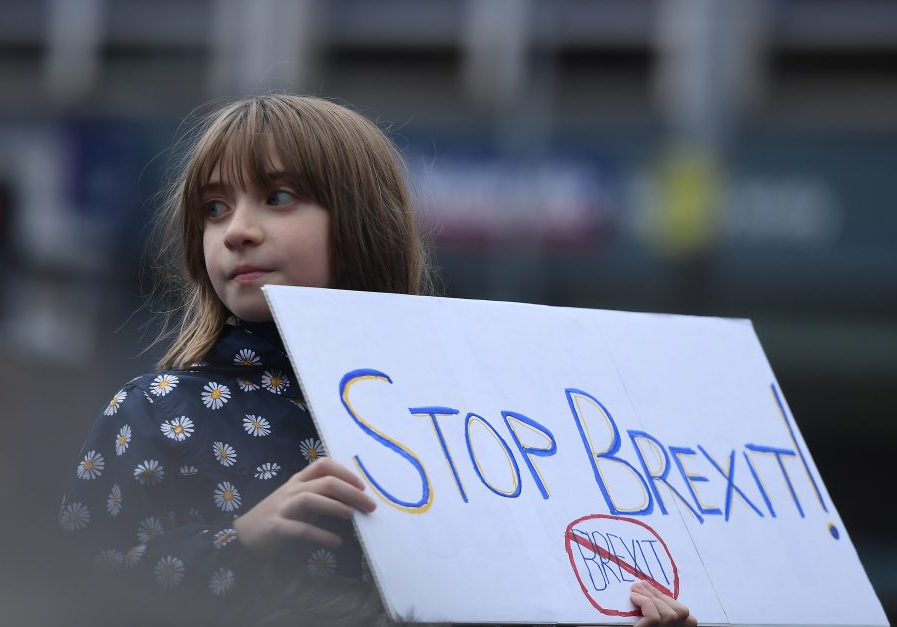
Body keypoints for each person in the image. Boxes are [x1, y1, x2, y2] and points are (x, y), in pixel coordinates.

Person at [58, 93, 697, 627]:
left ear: (365, 224)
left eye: (278, 198)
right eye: (214, 208)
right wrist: (241, 540)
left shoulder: (466, 421)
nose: (238, 230)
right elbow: (67, 585)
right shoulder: (158, 410)